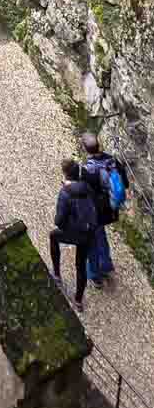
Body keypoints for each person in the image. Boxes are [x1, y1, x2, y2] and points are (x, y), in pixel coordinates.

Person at [81, 131, 129, 286]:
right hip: (110, 209)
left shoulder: (87, 170)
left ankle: (95, 275)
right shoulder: (113, 161)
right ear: (99, 144)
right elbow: (125, 184)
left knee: (93, 241)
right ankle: (106, 266)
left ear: (85, 148)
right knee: (100, 237)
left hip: (94, 211)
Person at [50, 158, 98, 308]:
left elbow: (58, 221)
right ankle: (78, 300)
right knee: (81, 265)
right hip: (88, 232)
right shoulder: (88, 187)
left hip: (73, 232)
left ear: (65, 174)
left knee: (53, 236)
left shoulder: (65, 193)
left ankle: (57, 274)